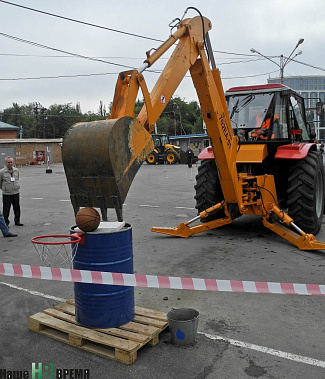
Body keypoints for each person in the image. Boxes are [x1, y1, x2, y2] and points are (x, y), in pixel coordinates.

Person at [0, 156, 23, 226]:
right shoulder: (2, 172)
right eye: (8, 162)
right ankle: (6, 223)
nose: (10, 164)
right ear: (6, 163)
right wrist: (5, 188)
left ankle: (17, 220)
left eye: (11, 162)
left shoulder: (16, 170)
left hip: (15, 192)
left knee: (17, 207)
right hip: (7, 193)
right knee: (6, 209)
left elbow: (17, 179)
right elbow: (0, 182)